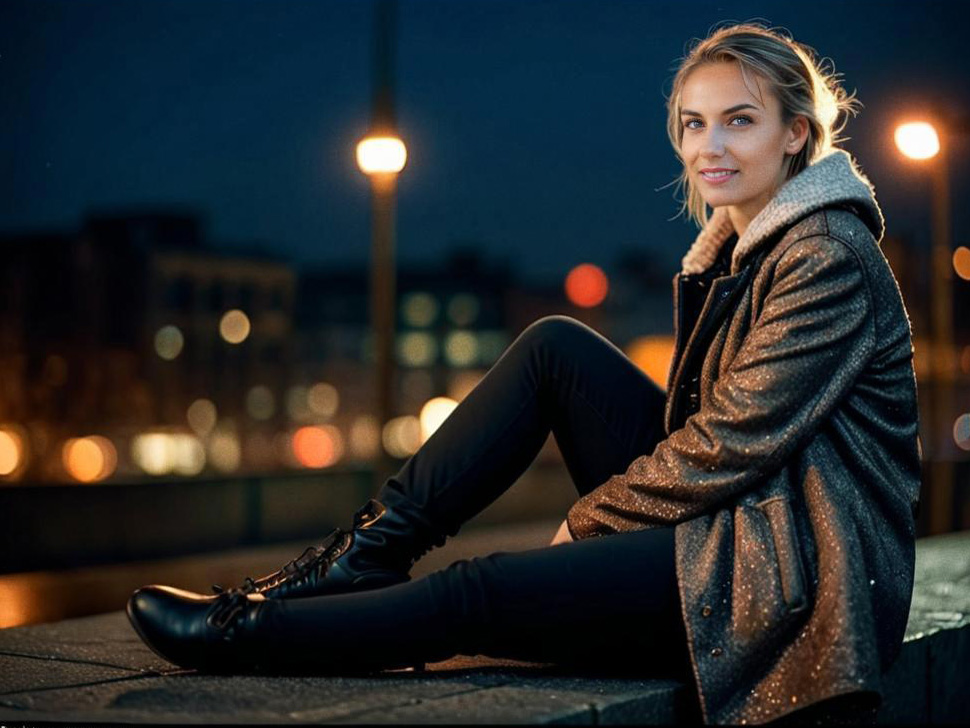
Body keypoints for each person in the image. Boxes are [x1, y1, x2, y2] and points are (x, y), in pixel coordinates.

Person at [127, 21, 921, 726]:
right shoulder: (747, 253)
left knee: (480, 592)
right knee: (556, 349)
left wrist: (590, 519)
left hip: (796, 572)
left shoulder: (826, 256)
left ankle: (251, 635)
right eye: (693, 124)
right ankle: (361, 558)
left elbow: (733, 441)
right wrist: (606, 520)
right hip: (749, 520)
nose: (708, 147)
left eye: (738, 122)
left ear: (795, 134)